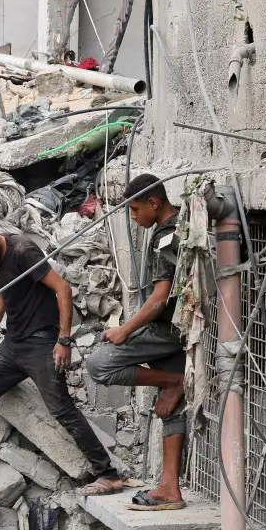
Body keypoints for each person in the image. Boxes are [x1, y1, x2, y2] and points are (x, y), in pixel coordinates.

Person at [0, 222, 124, 494]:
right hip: (13, 343)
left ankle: (108, 475)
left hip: (41, 342)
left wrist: (63, 340)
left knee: (62, 409)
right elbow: (2, 296)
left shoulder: (23, 251)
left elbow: (63, 290)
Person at [84, 173, 187, 511]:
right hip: (178, 329)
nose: (133, 216)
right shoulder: (171, 227)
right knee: (170, 405)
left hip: (167, 329)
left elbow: (160, 298)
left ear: (154, 203)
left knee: (99, 364)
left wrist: (125, 330)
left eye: (134, 209)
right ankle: (170, 489)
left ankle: (175, 381)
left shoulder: (166, 236)